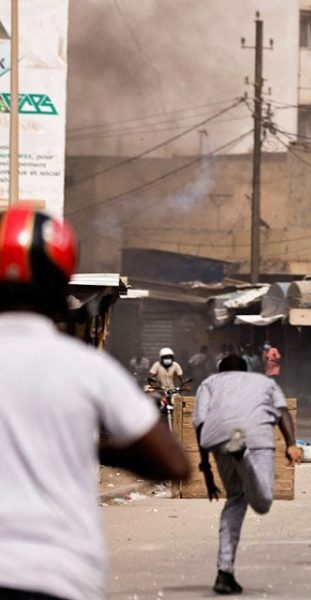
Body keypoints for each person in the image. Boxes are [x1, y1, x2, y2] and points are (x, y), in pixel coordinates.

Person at [0, 205, 190, 599]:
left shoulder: (145, 367)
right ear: (61, 285)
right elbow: (173, 462)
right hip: (56, 576)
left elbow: (176, 381)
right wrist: (90, 448)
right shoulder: (85, 367)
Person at [193, 354, 302, 595]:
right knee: (262, 503)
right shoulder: (264, 382)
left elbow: (200, 423)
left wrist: (206, 469)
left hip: (218, 439)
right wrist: (291, 443)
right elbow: (282, 411)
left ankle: (224, 573)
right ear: (246, 370)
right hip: (255, 438)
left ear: (221, 370)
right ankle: (242, 456)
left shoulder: (209, 383)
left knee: (235, 499)